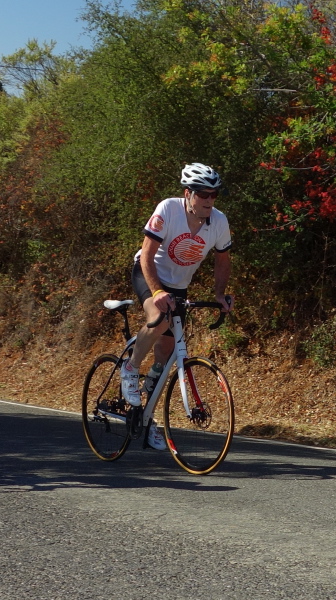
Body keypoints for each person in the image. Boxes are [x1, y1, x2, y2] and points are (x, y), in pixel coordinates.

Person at [120, 163, 233, 450]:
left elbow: (223, 260)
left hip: (179, 286)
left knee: (167, 354)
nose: (209, 200)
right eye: (203, 194)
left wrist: (220, 294)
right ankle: (130, 369)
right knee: (159, 317)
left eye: (214, 194)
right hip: (149, 274)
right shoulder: (168, 209)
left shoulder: (218, 222)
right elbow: (146, 254)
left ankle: (145, 416)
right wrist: (156, 290)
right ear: (188, 194)